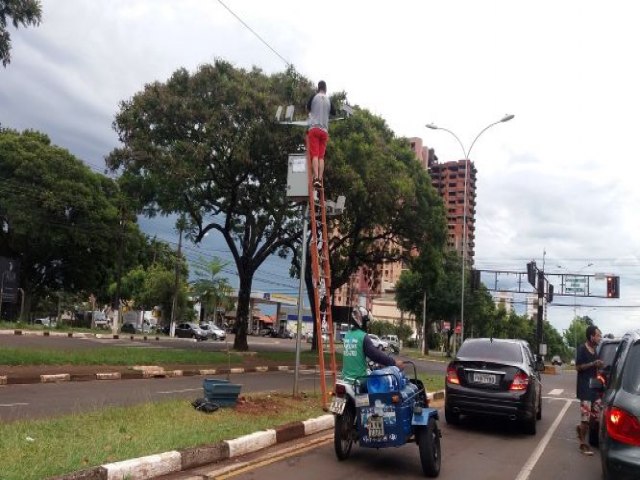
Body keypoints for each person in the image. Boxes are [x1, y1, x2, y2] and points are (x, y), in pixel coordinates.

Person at [341, 306, 403, 382]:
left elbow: (357, 354)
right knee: (383, 384)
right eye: (366, 322)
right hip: (359, 380)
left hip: (346, 379)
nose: (367, 325)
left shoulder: (348, 335)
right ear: (361, 321)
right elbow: (375, 355)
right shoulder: (363, 336)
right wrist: (394, 362)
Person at [575, 324, 603, 456]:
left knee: (596, 417)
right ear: (591, 336)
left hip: (593, 388)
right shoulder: (582, 349)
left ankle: (580, 429)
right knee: (585, 418)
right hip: (584, 388)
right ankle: (582, 444)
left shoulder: (595, 350)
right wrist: (593, 363)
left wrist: (599, 366)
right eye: (598, 335)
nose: (599, 338)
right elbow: (578, 367)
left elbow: (594, 368)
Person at [306, 80, 336, 188]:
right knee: (321, 157)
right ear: (326, 89)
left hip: (314, 129)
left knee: (314, 155)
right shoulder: (329, 100)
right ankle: (320, 178)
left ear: (318, 88)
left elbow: (308, 108)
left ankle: (315, 178)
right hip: (324, 131)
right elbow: (334, 112)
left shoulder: (314, 96)